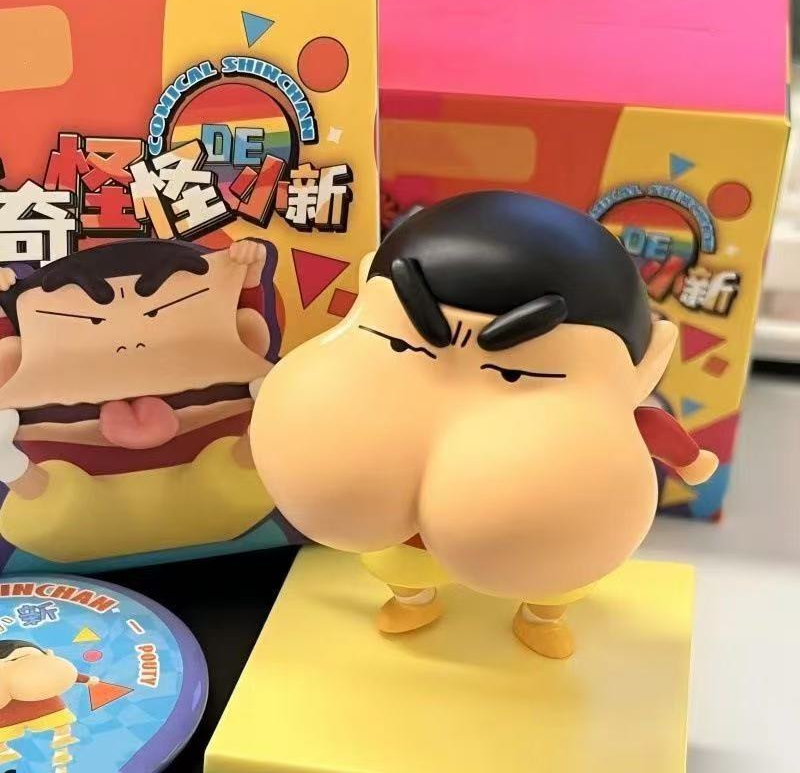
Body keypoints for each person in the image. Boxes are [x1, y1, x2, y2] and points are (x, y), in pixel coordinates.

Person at [251, 191, 718, 659]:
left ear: (649, 362)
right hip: (408, 539)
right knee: (400, 565)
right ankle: (415, 600)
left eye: (516, 373)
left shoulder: (612, 423)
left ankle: (541, 616)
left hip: (546, 548)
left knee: (556, 581)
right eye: (402, 344)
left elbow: (658, 433)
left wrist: (693, 462)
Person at [0, 238, 277, 562]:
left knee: (232, 477)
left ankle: (260, 433)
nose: (128, 349)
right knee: (60, 503)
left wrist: (249, 274)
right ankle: (12, 467)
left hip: (226, 513)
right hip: (71, 520)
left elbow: (229, 325)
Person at [0, 640, 98, 772]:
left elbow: (63, 673)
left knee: (62, 727)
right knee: (61, 727)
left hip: (46, 709)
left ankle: (61, 756)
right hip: (12, 717)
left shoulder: (41, 667)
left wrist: (87, 679)